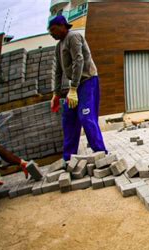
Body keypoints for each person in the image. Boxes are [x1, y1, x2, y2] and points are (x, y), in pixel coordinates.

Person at [48, 15, 107, 161]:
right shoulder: (58, 46)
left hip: (88, 81)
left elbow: (78, 61)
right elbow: (58, 71)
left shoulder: (73, 36)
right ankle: (69, 158)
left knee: (86, 116)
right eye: (50, 31)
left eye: (54, 30)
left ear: (63, 26)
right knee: (68, 117)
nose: (51, 34)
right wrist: (56, 94)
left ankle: (101, 153)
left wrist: (73, 88)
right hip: (75, 86)